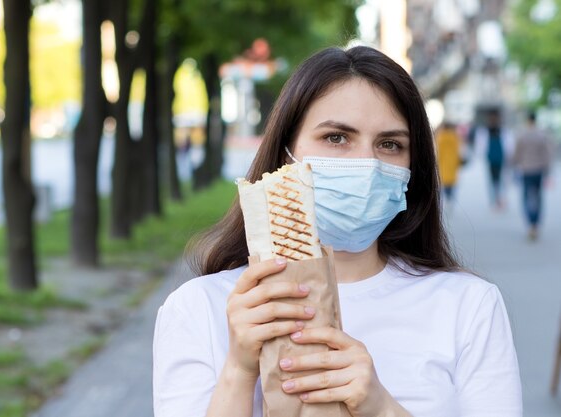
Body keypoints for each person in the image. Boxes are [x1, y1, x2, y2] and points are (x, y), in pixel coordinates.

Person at [153, 45, 522, 417]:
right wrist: (238, 369)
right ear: (286, 154)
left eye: (390, 144)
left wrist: (381, 407)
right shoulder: (200, 309)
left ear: (413, 168)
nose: (366, 162)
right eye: (336, 138)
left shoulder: (469, 306)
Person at [512, 111, 555, 240]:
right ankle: (536, 224)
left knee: (526, 197)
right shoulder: (542, 135)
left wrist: (514, 165)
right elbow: (547, 153)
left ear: (527, 120)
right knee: (538, 197)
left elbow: (516, 154)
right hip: (539, 170)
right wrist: (548, 169)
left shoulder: (522, 134)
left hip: (526, 170)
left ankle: (530, 223)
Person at [472, 109, 514, 209]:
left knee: (501, 180)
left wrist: (510, 157)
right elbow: (480, 146)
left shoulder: (503, 131)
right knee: (491, 180)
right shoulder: (484, 131)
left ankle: (500, 199)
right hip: (490, 159)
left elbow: (509, 145)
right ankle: (493, 200)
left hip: (501, 159)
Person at [434, 120, 463, 208]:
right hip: (453, 162)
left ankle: (446, 199)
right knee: (452, 182)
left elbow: (438, 151)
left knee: (443, 181)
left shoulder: (440, 136)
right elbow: (458, 150)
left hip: (443, 162)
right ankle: (450, 199)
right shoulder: (455, 137)